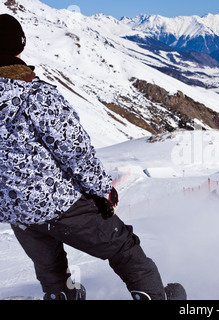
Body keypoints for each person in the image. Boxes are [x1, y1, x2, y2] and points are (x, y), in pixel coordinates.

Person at [0, 13, 186, 301]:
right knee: (124, 248)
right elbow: (76, 152)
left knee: (49, 266)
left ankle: (61, 296)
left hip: (14, 209)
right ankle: (153, 297)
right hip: (60, 204)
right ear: (19, 47)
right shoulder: (35, 95)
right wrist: (103, 189)